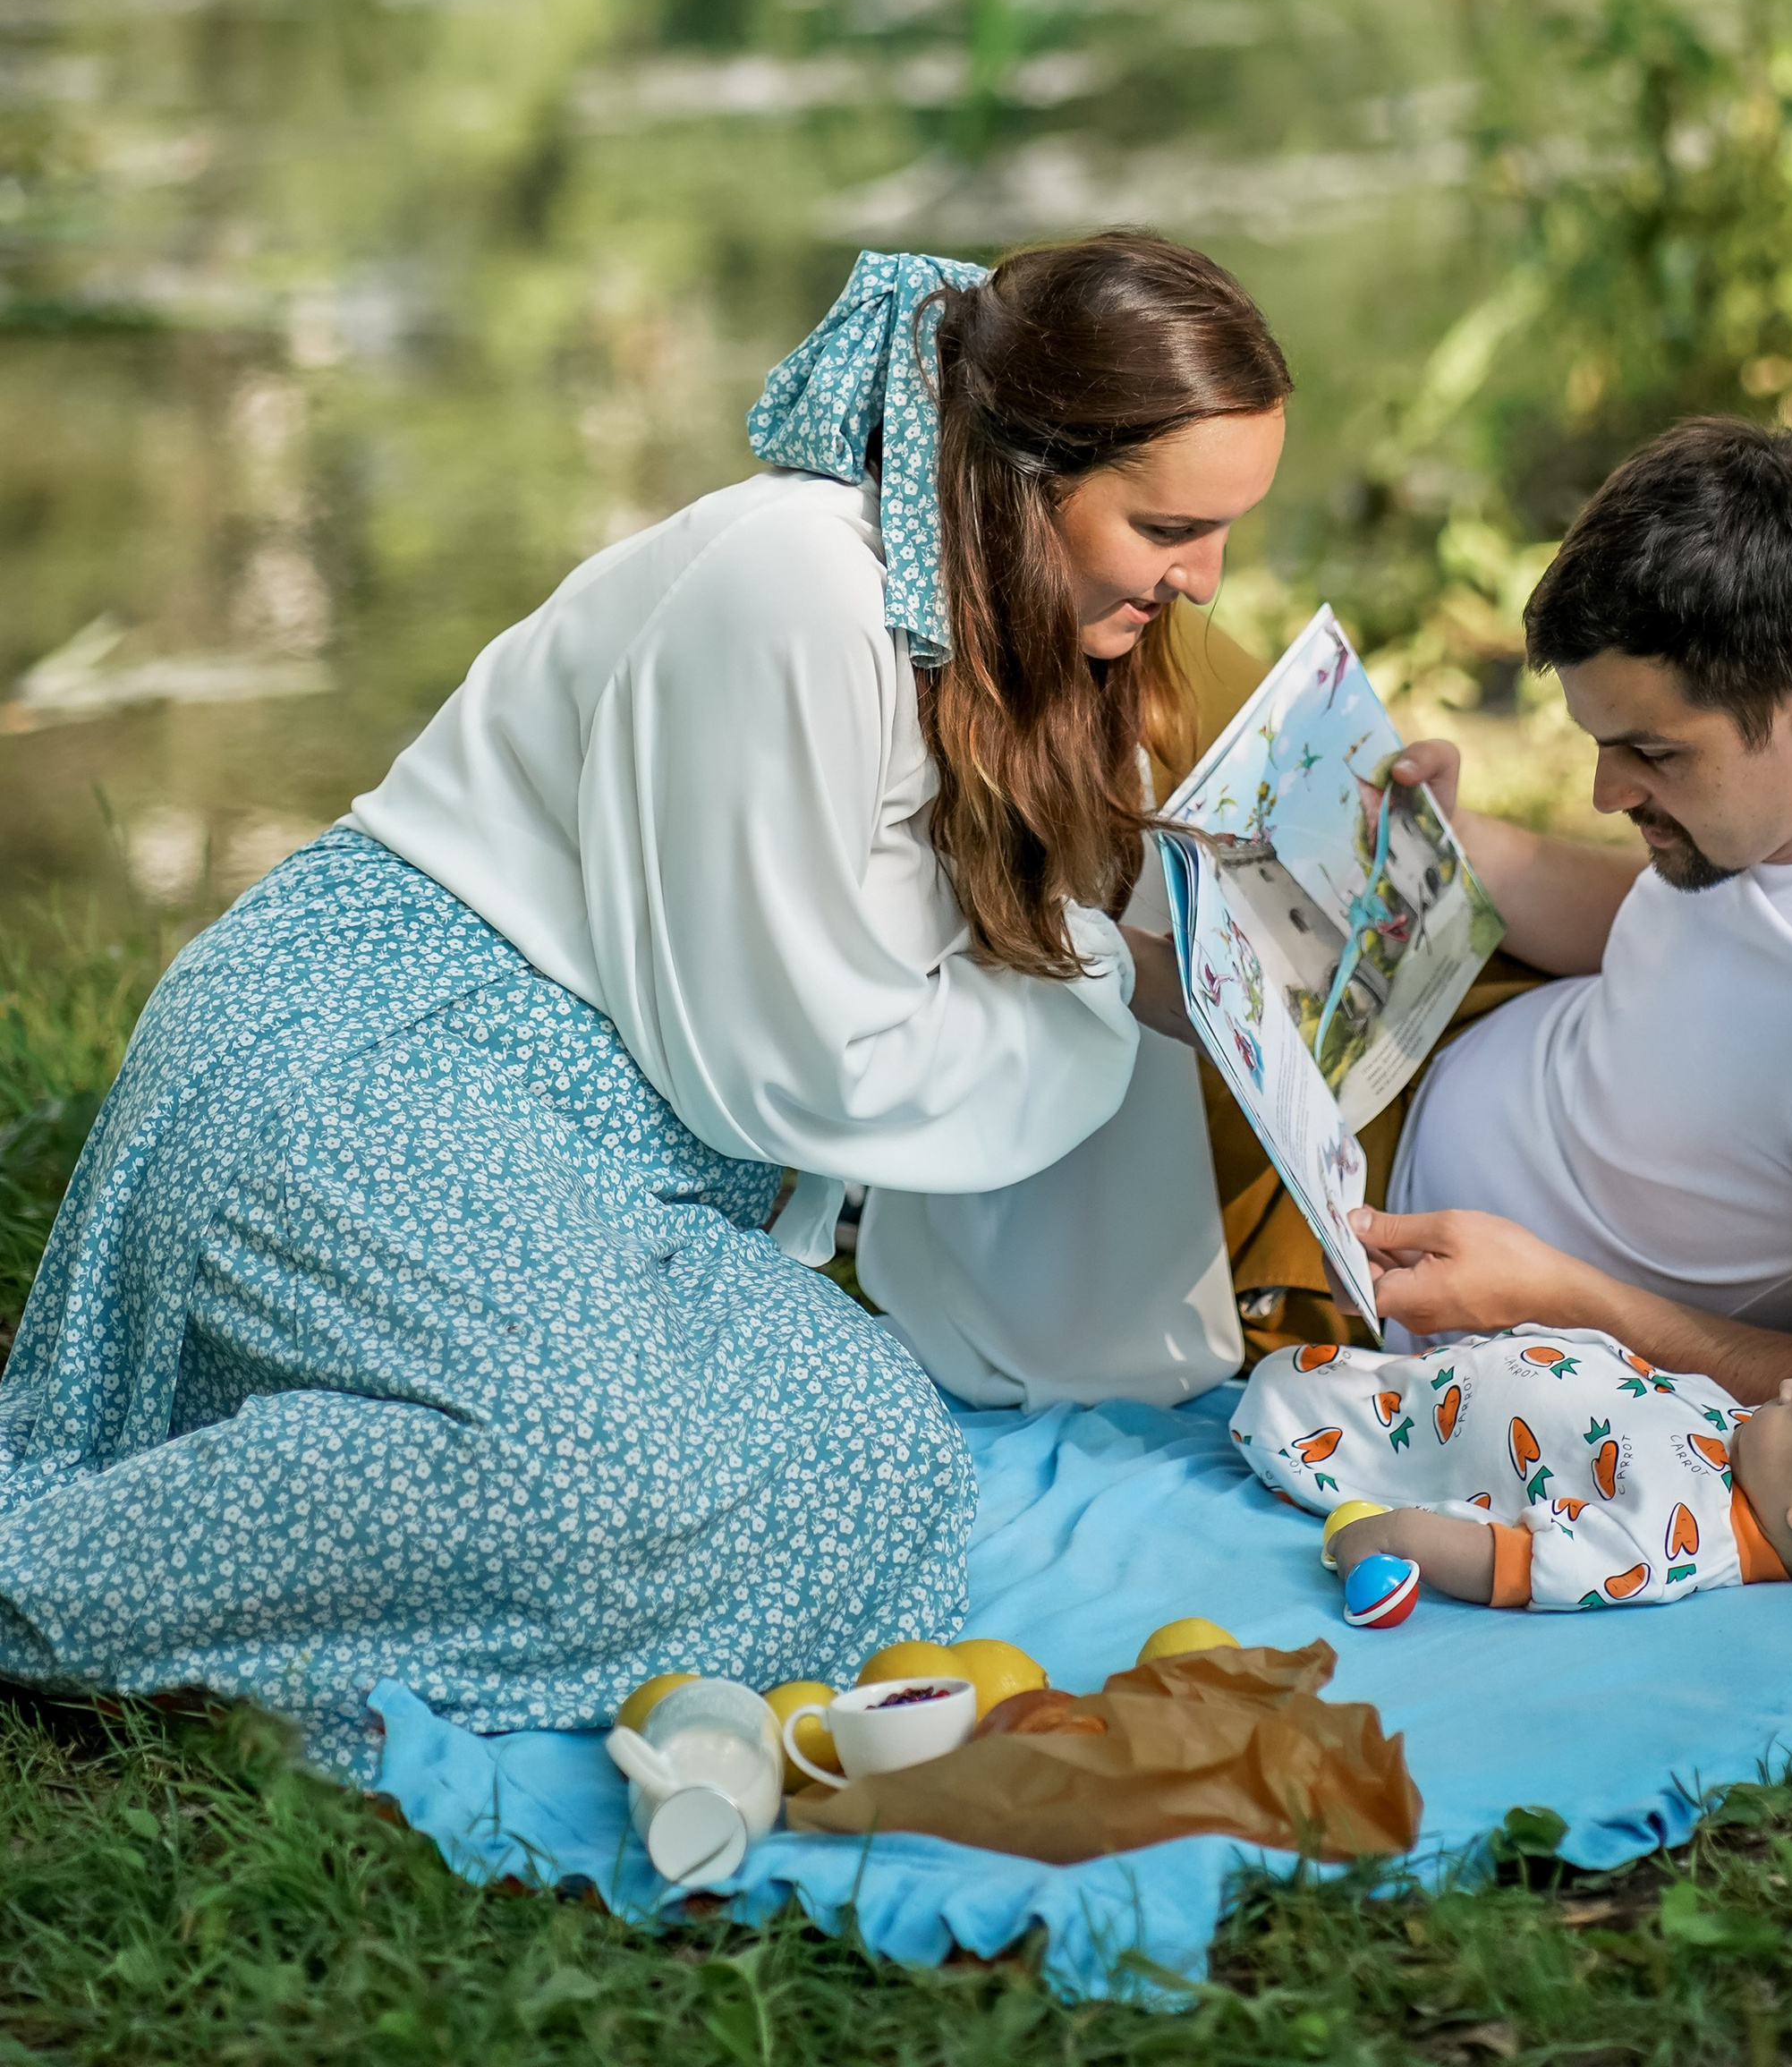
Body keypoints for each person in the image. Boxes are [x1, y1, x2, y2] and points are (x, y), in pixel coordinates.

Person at [0, 234, 1288, 1766]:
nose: (1202, 577)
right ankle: (53, 1580)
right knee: (604, 1486)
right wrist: (1122, 990)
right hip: (379, 1066)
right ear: (1026, 476)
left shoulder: (1020, 618)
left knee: (875, 1474)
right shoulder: (798, 587)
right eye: (1170, 527)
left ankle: (359, 1517)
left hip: (623, 1161)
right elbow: (806, 1062)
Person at [1363, 420, 1792, 1410]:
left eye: (1652, 754)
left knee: (1112, 988)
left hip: (1395, 1257)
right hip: (1452, 1032)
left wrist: (1561, 1302)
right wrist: (1469, 848)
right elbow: (1687, 943)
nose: (1607, 794)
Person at [1235, 1323, 1792, 1606]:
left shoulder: (1674, 1545)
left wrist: (1397, 1537)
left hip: (1407, 1436)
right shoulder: (1756, 1461)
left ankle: (1297, 1416)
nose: (1791, 1387)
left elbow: (1523, 1563)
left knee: (1284, 1397)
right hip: (1463, 1375)